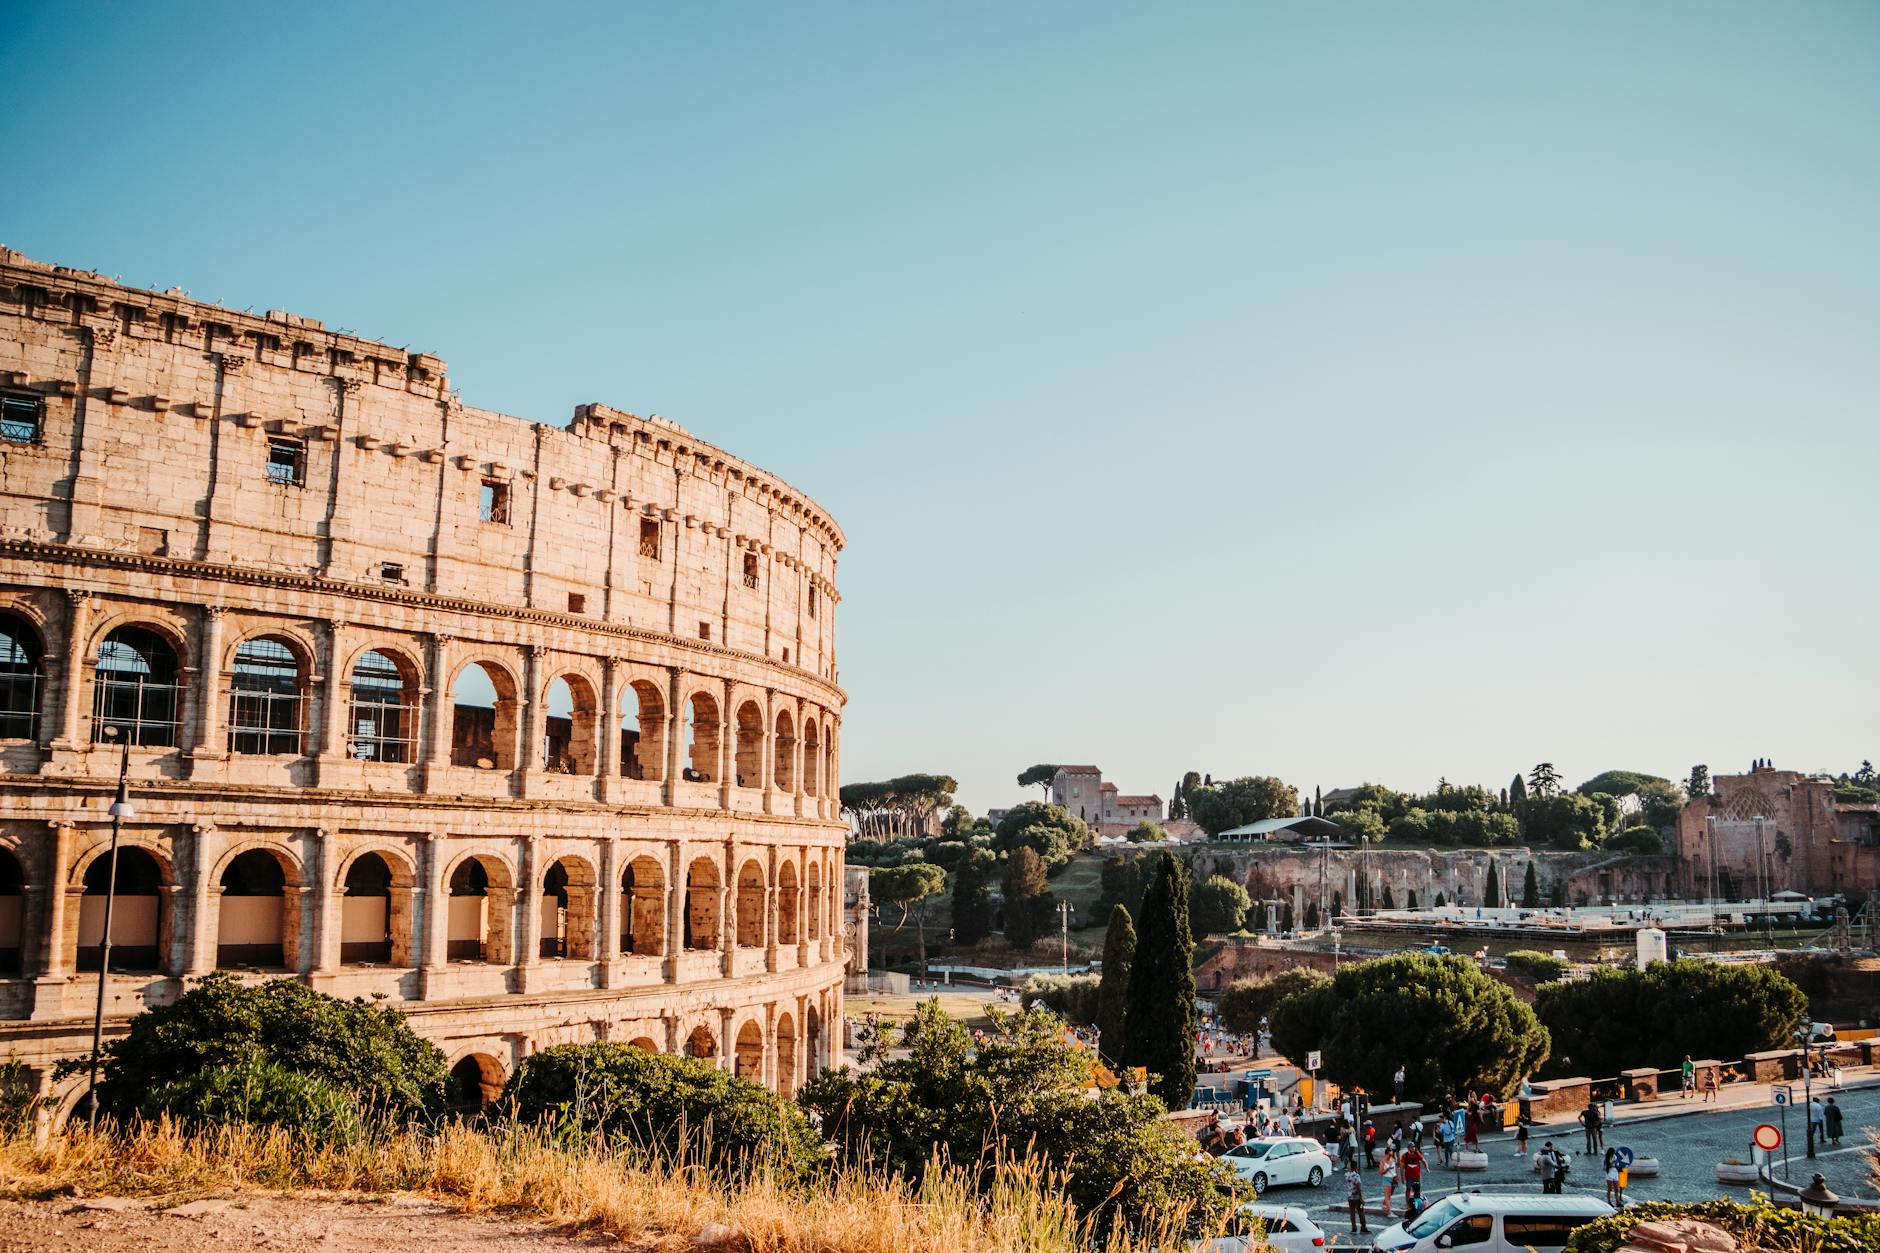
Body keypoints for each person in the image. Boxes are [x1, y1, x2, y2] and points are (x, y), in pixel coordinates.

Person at [1344, 1162, 1369, 1235]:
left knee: (1352, 1213)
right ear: (1355, 1167)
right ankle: (1363, 1227)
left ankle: (1354, 1227)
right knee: (1361, 1211)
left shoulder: (1346, 1175)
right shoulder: (1356, 1176)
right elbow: (1358, 1187)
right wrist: (1361, 1198)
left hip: (1350, 1196)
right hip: (1357, 1197)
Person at [1400, 1142, 1425, 1206]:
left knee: (1417, 1189)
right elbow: (1402, 1167)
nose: (1413, 1148)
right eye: (1412, 1147)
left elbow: (1423, 1160)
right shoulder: (1405, 1156)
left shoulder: (1417, 1154)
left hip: (1417, 1175)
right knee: (1408, 1189)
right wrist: (1402, 1177)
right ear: (1408, 1148)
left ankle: (1417, 1201)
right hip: (1408, 1176)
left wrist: (1426, 1167)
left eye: (1414, 1147)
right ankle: (1407, 1202)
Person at [1379, 1145, 1399, 1219]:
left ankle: (1384, 1205)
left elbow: (1395, 1169)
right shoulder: (1383, 1162)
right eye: (1391, 1151)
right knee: (1387, 1196)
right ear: (1387, 1153)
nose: (1392, 1152)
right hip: (1386, 1178)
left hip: (1393, 1178)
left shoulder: (1393, 1159)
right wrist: (1387, 1169)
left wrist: (1396, 1177)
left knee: (1390, 1195)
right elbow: (1380, 1172)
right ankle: (1389, 1212)